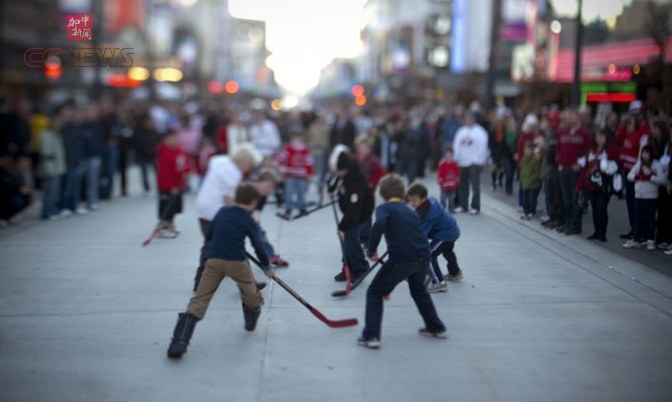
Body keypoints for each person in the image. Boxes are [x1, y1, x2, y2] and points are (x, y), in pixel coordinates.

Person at [167, 183, 276, 359]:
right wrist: (267, 267)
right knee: (250, 293)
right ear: (254, 201)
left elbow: (210, 235)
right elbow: (258, 246)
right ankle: (251, 317)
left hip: (214, 260)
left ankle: (179, 342)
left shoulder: (223, 212)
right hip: (237, 262)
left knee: (200, 299)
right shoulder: (248, 219)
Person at [359, 174, 447, 349]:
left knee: (374, 292)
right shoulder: (410, 210)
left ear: (383, 194)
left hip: (402, 258)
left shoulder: (384, 208)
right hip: (422, 256)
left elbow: (379, 224)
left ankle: (371, 336)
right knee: (419, 291)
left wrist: (371, 249)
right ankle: (436, 327)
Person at [193, 143, 262, 291]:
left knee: (214, 246)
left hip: (204, 208)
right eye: (249, 165)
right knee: (222, 247)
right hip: (214, 212)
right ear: (243, 161)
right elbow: (232, 200)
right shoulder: (233, 174)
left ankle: (248, 284)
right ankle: (247, 285)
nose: (249, 169)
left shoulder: (222, 161)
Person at [328, 146, 375, 282]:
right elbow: (337, 179)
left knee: (350, 239)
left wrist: (342, 227)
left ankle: (360, 267)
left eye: (339, 171)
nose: (337, 173)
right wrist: (331, 189)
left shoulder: (356, 181)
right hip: (350, 211)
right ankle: (347, 267)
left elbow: (354, 209)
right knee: (346, 240)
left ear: (346, 169)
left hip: (360, 213)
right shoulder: (344, 174)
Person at [406, 182, 462, 294]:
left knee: (429, 254)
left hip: (446, 234)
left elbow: (421, 235)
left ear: (423, 199)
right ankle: (455, 272)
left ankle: (438, 282)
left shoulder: (428, 214)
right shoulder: (428, 202)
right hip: (452, 230)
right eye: (410, 200)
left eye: (414, 201)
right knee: (447, 250)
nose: (411, 203)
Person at [577, 128, 619, 242]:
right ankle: (596, 231)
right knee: (595, 208)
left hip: (604, 185)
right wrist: (580, 185)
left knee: (601, 208)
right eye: (597, 137)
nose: (599, 139)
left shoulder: (611, 150)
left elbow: (615, 167)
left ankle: (602, 232)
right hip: (591, 185)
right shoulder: (591, 150)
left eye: (601, 136)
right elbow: (586, 168)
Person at [623, 145, 666, 251]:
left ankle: (650, 239)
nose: (644, 155)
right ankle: (637, 238)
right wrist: (637, 176)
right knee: (638, 218)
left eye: (647, 153)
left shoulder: (656, 165)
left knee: (650, 219)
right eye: (643, 153)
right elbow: (629, 176)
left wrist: (650, 177)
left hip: (651, 196)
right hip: (639, 195)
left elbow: (662, 180)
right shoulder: (639, 164)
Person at [556, 110, 592, 235]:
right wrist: (559, 162)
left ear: (578, 118)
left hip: (575, 170)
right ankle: (568, 222)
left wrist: (580, 164)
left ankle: (575, 225)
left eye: (572, 118)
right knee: (566, 198)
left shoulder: (584, 134)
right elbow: (559, 149)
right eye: (568, 118)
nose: (569, 120)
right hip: (563, 168)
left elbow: (588, 151)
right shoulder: (563, 132)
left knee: (576, 198)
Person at [616, 116, 647, 240]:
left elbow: (636, 156)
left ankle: (638, 229)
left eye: (630, 123)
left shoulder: (638, 137)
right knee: (630, 202)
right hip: (626, 172)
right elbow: (618, 139)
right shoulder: (628, 135)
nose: (628, 125)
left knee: (635, 203)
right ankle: (633, 228)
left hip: (633, 174)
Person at [452, 111, 490, 214]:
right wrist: (456, 159)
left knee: (475, 185)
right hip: (463, 162)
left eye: (469, 118)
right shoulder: (461, 131)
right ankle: (463, 205)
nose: (467, 120)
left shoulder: (480, 132)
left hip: (475, 162)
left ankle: (475, 206)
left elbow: (483, 147)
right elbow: (456, 146)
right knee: (463, 184)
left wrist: (479, 159)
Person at [156, 129, 190, 238]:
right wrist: (171, 186)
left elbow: (187, 163)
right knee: (166, 206)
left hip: (179, 183)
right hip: (167, 186)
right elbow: (164, 172)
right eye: (172, 138)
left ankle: (171, 224)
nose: (175, 141)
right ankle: (164, 226)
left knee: (175, 206)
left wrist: (186, 171)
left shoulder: (181, 151)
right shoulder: (163, 153)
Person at [353, 135, 386, 248]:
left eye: (365, 147)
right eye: (360, 147)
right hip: (355, 192)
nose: (363, 150)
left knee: (366, 216)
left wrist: (372, 183)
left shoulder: (374, 161)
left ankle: (365, 239)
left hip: (368, 192)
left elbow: (380, 175)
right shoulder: (354, 159)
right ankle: (356, 237)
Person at [252, 169, 290, 267]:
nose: (268, 190)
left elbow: (258, 209)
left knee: (260, 235)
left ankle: (270, 256)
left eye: (271, 188)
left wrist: (256, 217)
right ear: (259, 182)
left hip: (250, 218)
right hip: (239, 218)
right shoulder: (249, 190)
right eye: (267, 186)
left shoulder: (263, 195)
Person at [277, 132, 314, 219]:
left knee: (301, 191)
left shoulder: (305, 150)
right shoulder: (288, 149)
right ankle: (288, 208)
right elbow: (279, 158)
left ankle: (302, 207)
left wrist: (309, 173)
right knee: (288, 192)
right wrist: (280, 168)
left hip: (301, 175)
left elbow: (309, 162)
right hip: (290, 174)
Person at [38, 117, 66, 220]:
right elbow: (47, 154)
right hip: (51, 167)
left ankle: (53, 210)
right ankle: (48, 211)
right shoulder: (46, 136)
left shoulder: (58, 136)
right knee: (50, 191)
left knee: (55, 191)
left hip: (59, 167)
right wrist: (49, 169)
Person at [0, 152, 32, 226]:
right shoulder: (5, 172)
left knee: (24, 199)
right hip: (5, 197)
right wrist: (19, 190)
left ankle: (4, 217)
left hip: (9, 196)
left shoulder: (15, 173)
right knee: (18, 200)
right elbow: (5, 187)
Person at [519, 141, 542, 220]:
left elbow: (537, 172)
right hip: (525, 182)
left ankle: (531, 211)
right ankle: (526, 211)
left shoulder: (535, 159)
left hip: (532, 183)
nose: (526, 151)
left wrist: (532, 179)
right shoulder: (524, 159)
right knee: (525, 198)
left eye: (528, 150)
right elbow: (522, 168)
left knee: (532, 198)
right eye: (525, 150)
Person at [437, 148, 459, 212]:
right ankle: (442, 209)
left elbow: (457, 173)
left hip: (452, 184)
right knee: (443, 198)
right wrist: (440, 182)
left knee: (452, 198)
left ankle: (451, 208)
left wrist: (456, 181)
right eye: (447, 155)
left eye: (450, 155)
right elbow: (440, 173)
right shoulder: (442, 164)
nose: (449, 157)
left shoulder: (454, 164)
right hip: (444, 185)